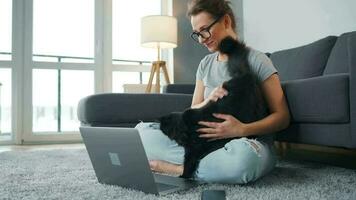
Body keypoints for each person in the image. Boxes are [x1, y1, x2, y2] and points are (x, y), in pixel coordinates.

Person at [135, 0, 290, 184]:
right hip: (203, 142)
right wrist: (207, 100)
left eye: (205, 30)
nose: (201, 39)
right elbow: (191, 112)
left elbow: (282, 117)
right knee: (141, 133)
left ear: (225, 21)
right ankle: (206, 166)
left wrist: (242, 129)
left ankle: (179, 168)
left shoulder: (257, 60)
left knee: (243, 161)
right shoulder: (205, 65)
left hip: (245, 143)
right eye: (197, 34)